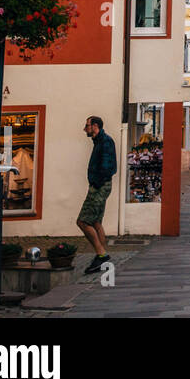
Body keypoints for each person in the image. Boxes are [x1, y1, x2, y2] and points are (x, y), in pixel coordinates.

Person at [77, 116, 117, 274]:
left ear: (94, 126)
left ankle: (102, 255)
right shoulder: (100, 141)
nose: (84, 129)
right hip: (101, 186)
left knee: (83, 221)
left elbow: (106, 168)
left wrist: (96, 183)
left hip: (99, 187)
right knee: (96, 222)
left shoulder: (105, 142)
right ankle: (100, 255)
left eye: (87, 125)